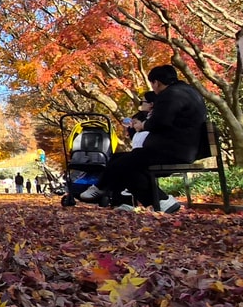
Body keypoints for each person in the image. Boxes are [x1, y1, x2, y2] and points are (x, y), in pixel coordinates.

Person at [78, 65, 205, 214]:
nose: (154, 89)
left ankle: (101, 188)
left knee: (126, 163)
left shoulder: (171, 94)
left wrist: (144, 124)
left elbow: (160, 121)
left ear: (156, 82)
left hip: (173, 150)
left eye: (153, 84)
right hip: (181, 147)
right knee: (121, 160)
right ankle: (162, 201)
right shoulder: (188, 92)